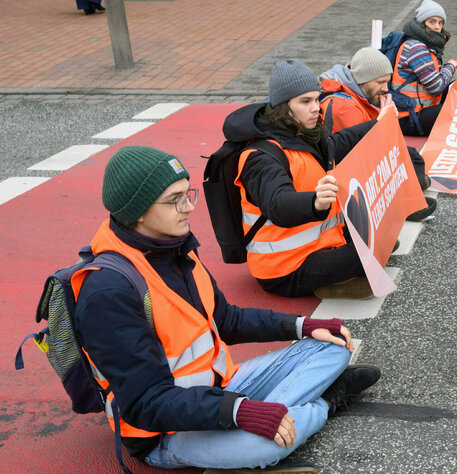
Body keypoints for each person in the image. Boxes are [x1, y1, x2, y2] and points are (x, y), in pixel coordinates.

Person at [74, 145, 381, 472]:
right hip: (167, 430)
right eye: (175, 199)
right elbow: (146, 404)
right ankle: (322, 404)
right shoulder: (108, 291)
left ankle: (276, 416)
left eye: (187, 194)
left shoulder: (175, 249)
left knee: (331, 348)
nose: (189, 208)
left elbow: (226, 319)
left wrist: (302, 326)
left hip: (223, 387)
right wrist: (240, 412)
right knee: (261, 447)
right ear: (137, 211)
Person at [224, 59, 434, 299]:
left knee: (382, 236)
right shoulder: (260, 156)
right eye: (305, 101)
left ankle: (343, 277)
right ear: (283, 107)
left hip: (318, 246)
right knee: (373, 249)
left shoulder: (301, 132)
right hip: (283, 268)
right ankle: (335, 281)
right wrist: (314, 202)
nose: (316, 107)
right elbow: (277, 203)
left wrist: (379, 123)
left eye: (316, 99)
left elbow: (338, 142)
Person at [318, 47, 436, 204]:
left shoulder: (353, 95)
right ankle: (403, 202)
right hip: (345, 175)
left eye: (387, 82)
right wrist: (388, 121)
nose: (386, 89)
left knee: (410, 156)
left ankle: (409, 193)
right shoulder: (344, 105)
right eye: (380, 82)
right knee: (409, 161)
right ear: (362, 79)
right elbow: (367, 153)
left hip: (351, 165)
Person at [394, 0, 457, 136]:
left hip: (418, 109)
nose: (437, 27)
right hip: (407, 117)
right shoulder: (416, 48)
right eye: (432, 21)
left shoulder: (424, 44)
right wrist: (450, 66)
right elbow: (436, 87)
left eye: (440, 23)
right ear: (422, 24)